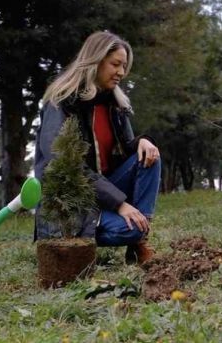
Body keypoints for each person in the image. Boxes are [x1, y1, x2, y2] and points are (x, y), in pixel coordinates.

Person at [33, 31, 161, 265]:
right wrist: (120, 204)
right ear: (95, 61)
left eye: (124, 66)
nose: (121, 72)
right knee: (129, 229)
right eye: (115, 64)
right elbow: (62, 165)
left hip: (102, 191)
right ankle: (130, 233)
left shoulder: (115, 104)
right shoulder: (61, 102)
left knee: (149, 155)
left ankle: (140, 243)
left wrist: (143, 141)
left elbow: (123, 153)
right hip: (71, 204)